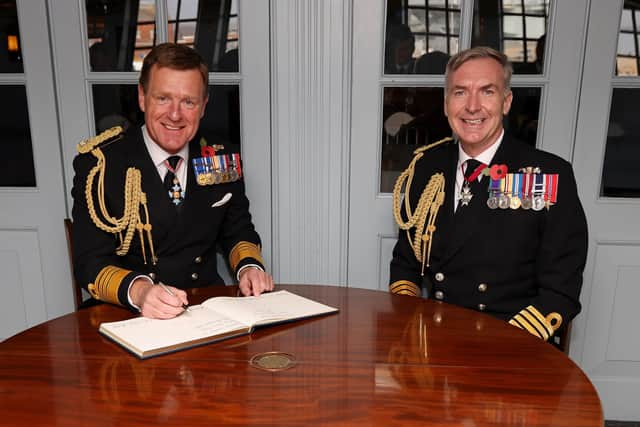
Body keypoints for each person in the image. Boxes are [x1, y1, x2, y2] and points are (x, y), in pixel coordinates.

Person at [389, 46, 588, 343]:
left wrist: (505, 341)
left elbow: (560, 287)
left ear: (506, 102)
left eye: (487, 92)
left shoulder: (547, 174)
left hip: (510, 342)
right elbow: (406, 261)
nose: (472, 106)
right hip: (434, 340)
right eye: (459, 92)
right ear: (446, 105)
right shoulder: (426, 169)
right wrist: (409, 317)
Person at [72, 43, 274, 319]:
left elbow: (238, 231)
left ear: (203, 106)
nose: (175, 115)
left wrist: (250, 267)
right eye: (163, 98)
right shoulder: (101, 165)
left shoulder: (220, 157)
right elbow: (90, 263)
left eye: (188, 101)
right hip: (129, 313)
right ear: (142, 98)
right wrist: (141, 291)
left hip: (206, 309)